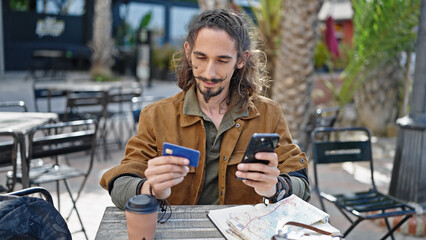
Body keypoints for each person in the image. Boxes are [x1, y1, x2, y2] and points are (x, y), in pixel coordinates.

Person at [100, 8, 310, 209]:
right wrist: (149, 188)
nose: (209, 73)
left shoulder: (269, 114)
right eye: (201, 57)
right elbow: (119, 185)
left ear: (241, 60)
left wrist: (276, 188)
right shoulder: (155, 116)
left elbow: (301, 184)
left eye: (222, 60)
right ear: (188, 53)